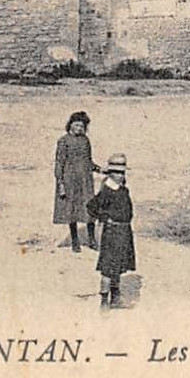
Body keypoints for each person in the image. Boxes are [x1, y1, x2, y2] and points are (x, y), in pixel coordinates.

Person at [85, 154, 136, 307]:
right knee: (108, 268)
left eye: (122, 173)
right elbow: (91, 207)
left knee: (118, 267)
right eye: (117, 172)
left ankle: (115, 298)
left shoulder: (124, 191)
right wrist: (104, 217)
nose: (120, 176)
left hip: (124, 232)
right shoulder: (107, 190)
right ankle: (104, 301)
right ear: (110, 173)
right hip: (112, 233)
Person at [54, 111, 99, 253]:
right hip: (69, 180)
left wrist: (99, 169)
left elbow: (89, 161)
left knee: (90, 208)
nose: (79, 128)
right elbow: (59, 163)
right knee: (71, 210)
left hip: (85, 180)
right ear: (70, 125)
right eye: (77, 125)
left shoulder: (85, 140)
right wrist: (60, 184)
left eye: (82, 126)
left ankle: (92, 240)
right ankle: (75, 241)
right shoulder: (63, 141)